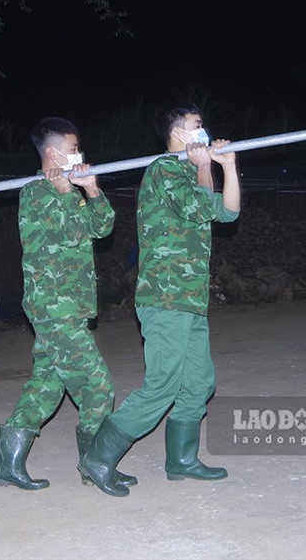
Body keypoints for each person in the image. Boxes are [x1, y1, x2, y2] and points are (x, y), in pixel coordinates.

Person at [79, 103, 240, 497]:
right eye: (197, 126)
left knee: (199, 381)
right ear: (178, 134)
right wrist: (206, 167)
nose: (204, 132)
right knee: (163, 383)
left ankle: (181, 461)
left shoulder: (187, 171)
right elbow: (202, 205)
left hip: (190, 299)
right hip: (165, 297)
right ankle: (98, 457)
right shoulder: (164, 170)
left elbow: (228, 213)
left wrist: (229, 166)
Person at [0, 117, 135, 491]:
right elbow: (73, 230)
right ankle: (95, 463)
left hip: (69, 306)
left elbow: (102, 227)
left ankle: (8, 465)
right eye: (73, 149)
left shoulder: (68, 190)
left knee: (46, 386)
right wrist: (69, 193)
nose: (80, 154)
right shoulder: (36, 194)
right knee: (98, 386)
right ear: (53, 152)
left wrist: (92, 191)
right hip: (54, 308)